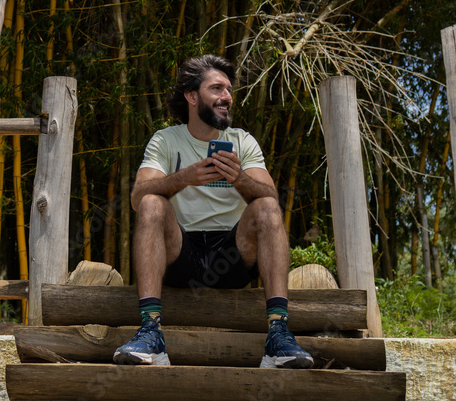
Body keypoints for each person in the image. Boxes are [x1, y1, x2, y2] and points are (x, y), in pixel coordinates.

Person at [113, 54, 314, 369]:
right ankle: (151, 331)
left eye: (229, 90)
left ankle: (279, 335)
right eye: (217, 89)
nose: (227, 97)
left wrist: (239, 179)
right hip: (182, 254)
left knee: (267, 205)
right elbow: (138, 198)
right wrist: (185, 178)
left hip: (232, 257)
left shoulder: (242, 141)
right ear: (192, 96)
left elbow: (270, 196)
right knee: (153, 202)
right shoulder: (165, 140)